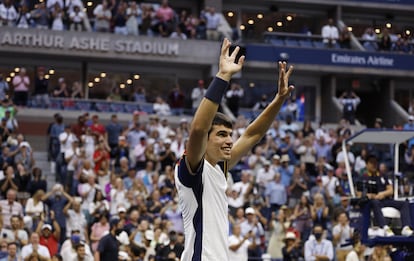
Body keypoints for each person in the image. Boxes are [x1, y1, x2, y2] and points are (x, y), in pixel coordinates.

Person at [174, 38, 294, 260]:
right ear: (206, 141)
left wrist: (278, 100)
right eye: (221, 134)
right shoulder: (190, 169)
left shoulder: (220, 168)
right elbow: (199, 128)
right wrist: (223, 76)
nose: (230, 140)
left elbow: (252, 134)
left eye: (230, 134)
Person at [356, 154, 413, 237]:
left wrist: (382, 194)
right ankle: (385, 227)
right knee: (375, 202)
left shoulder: (382, 176)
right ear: (367, 164)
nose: (374, 165)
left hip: (384, 199)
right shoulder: (363, 177)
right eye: (371, 163)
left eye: (375, 162)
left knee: (404, 203)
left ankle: (406, 227)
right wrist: (370, 195)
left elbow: (391, 190)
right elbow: (359, 194)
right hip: (372, 202)